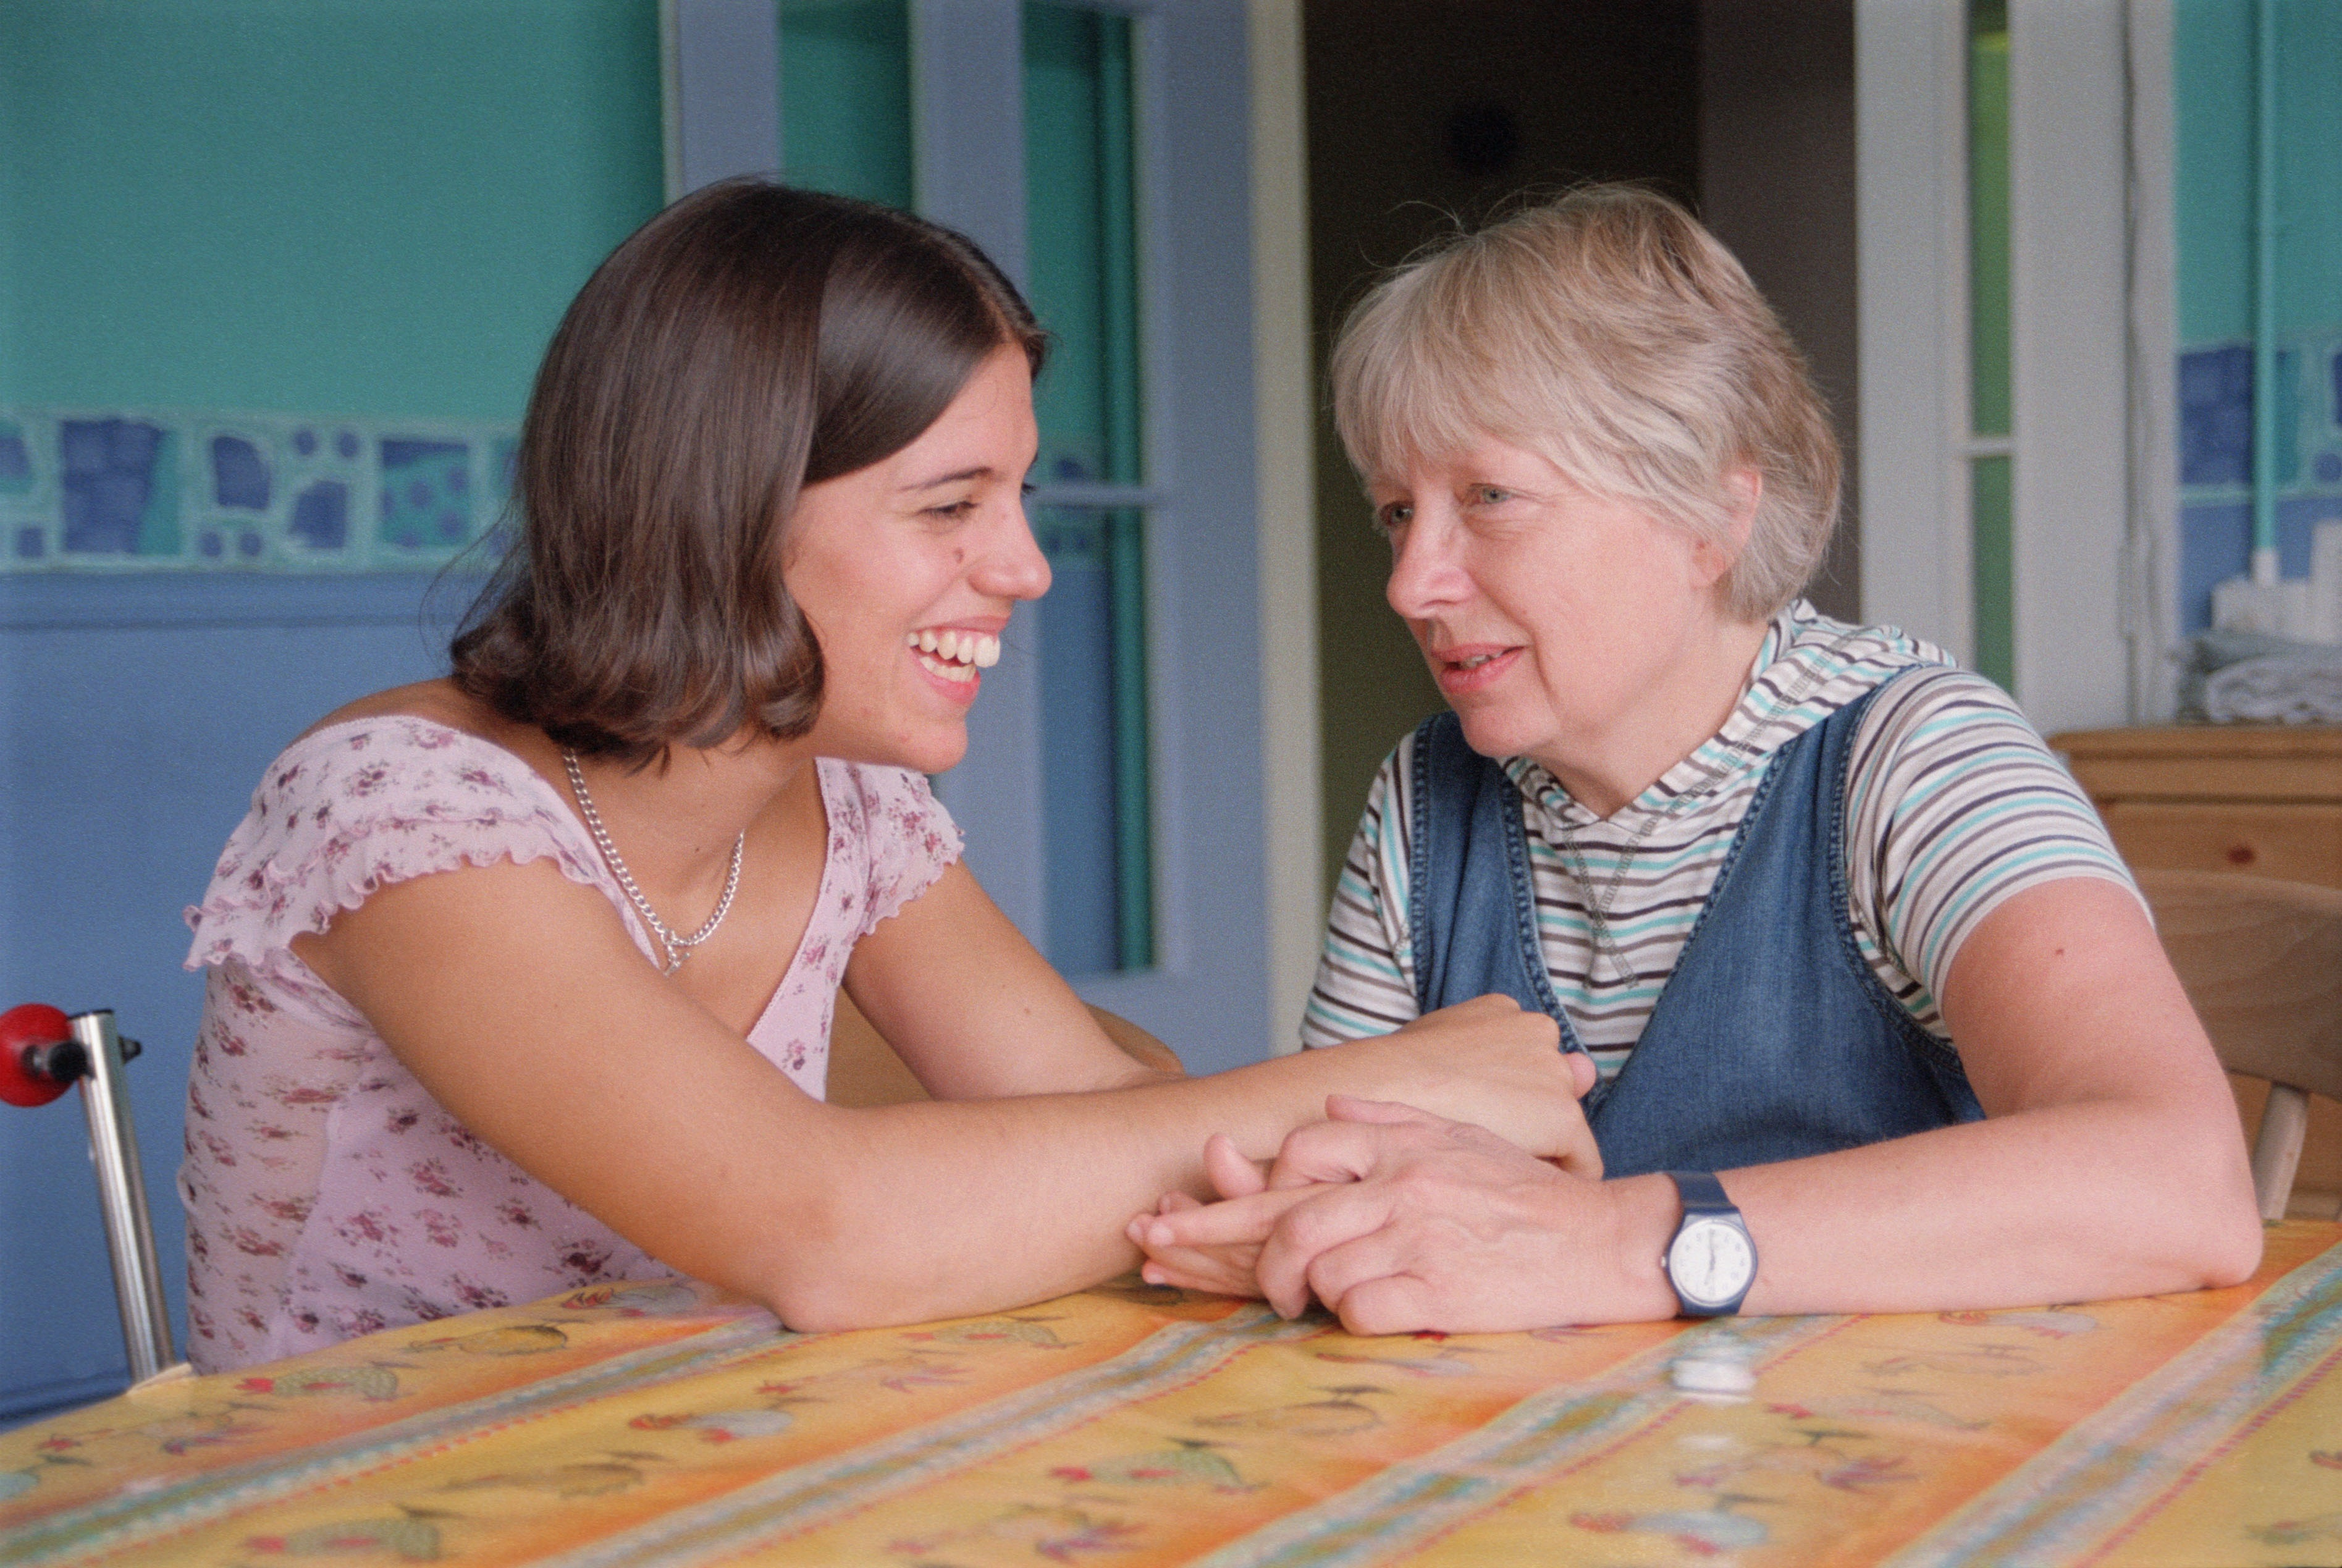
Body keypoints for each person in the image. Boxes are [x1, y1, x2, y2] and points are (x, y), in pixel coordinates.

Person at [177, 180, 1592, 1373]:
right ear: (723, 510)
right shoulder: (401, 809)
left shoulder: (842, 800)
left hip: (705, 1462)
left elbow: (1101, 1099)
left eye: (1020, 494)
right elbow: (831, 1231)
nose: (1026, 567)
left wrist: (1216, 1145)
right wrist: (1404, 1084)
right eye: (951, 505)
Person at [1130, 185, 2263, 1334]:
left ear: (1714, 518)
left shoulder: (1915, 756)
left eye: (1488, 497)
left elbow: (2182, 1184)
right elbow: (1342, 1187)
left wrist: (1607, 1242)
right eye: (1395, 512)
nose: (1411, 583)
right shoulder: (1428, 803)